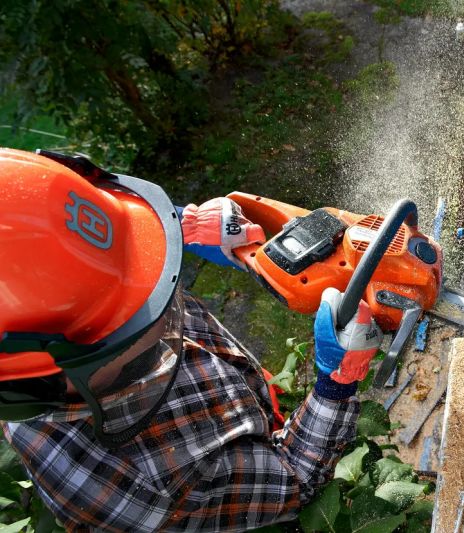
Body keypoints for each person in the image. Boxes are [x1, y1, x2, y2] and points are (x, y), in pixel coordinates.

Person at [0, 148, 383, 531]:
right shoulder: (129, 490)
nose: (162, 313)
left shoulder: (28, 233)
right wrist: (335, 384)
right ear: (29, 389)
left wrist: (174, 228)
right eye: (127, 326)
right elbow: (296, 481)